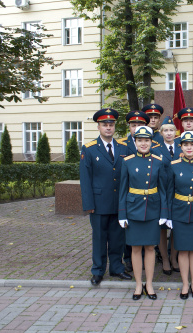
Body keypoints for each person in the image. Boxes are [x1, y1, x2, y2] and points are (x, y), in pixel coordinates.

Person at [80, 108, 132, 286]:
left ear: (114, 126)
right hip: (99, 203)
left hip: (119, 202)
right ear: (98, 127)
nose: (108, 128)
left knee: (118, 238)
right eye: (105, 125)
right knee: (100, 238)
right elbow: (85, 179)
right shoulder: (89, 149)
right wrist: (88, 203)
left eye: (111, 124)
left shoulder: (123, 147)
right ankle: (98, 270)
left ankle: (117, 268)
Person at [118, 126, 169, 300]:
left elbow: (163, 190)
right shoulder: (127, 161)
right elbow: (123, 190)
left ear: (151, 142)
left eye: (146, 140)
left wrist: (164, 213)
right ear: (135, 142)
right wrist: (122, 214)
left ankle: (149, 283)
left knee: (150, 247)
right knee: (135, 248)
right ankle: (138, 284)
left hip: (153, 210)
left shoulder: (158, 161)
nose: (143, 143)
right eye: (140, 140)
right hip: (133, 210)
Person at [166, 131, 193, 299]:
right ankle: (185, 284)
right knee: (183, 251)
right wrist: (168, 216)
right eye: (186, 145)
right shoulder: (173, 165)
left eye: (192, 144)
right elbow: (169, 192)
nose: (189, 147)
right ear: (181, 147)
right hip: (179, 212)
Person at [154, 116, 181, 275]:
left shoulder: (182, 147)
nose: (169, 133)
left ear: (175, 132)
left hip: (178, 193)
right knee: (162, 229)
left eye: (171, 130)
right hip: (161, 192)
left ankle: (174, 258)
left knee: (177, 227)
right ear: (161, 132)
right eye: (166, 130)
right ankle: (164, 258)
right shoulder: (155, 149)